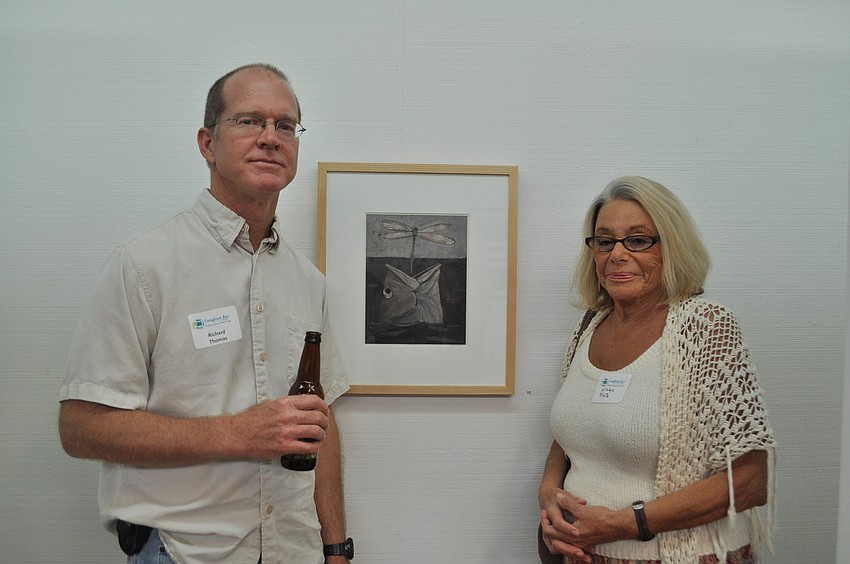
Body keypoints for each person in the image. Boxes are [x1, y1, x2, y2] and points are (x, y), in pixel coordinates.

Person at [59, 63, 354, 564]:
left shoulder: (309, 281)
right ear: (207, 143)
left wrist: (337, 547)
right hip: (182, 553)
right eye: (249, 121)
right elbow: (81, 428)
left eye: (285, 125)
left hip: (294, 553)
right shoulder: (143, 265)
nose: (270, 137)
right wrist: (236, 433)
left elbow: (320, 425)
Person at [538, 176, 777, 564]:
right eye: (604, 241)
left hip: (681, 555)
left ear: (672, 247)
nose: (616, 255)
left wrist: (624, 524)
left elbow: (750, 481)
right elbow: (572, 435)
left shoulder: (706, 327)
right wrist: (549, 493)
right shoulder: (590, 326)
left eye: (637, 239)